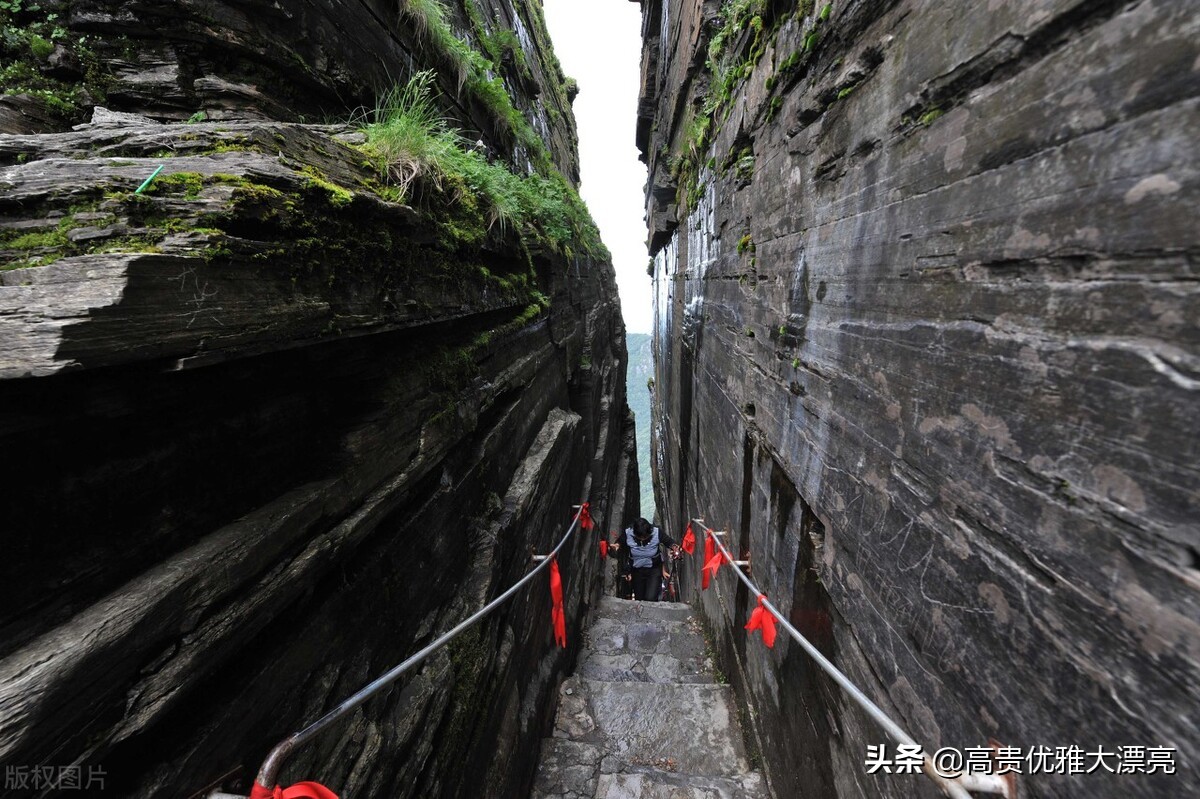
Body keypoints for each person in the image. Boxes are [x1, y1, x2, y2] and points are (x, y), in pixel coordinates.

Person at [619, 517, 680, 601]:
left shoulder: (657, 532)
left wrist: (675, 548)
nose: (643, 539)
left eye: (645, 536)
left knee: (650, 597)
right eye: (640, 537)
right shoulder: (628, 533)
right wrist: (616, 546)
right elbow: (618, 543)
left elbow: (669, 542)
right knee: (639, 598)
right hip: (637, 570)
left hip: (653, 569)